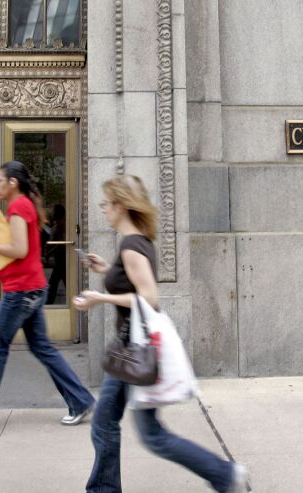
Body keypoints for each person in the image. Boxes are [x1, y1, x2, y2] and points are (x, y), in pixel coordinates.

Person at [73, 175, 248, 493]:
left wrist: (101, 298)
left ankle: (225, 475)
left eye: (105, 204)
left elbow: (150, 298)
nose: (103, 210)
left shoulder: (131, 246)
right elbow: (131, 280)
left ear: (121, 206)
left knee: (151, 435)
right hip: (128, 350)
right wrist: (106, 270)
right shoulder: (136, 242)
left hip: (135, 351)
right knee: (104, 422)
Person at [0, 161, 95, 433]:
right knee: (42, 348)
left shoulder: (18, 207)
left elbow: (19, 249)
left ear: (13, 182)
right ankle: (81, 400)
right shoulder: (27, 205)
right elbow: (26, 252)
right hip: (31, 287)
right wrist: (0, 272)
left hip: (21, 292)